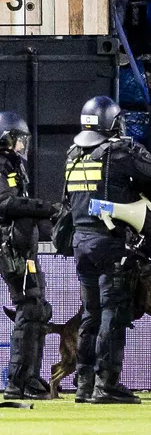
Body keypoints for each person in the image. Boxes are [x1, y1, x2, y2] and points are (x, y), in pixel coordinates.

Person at [65, 97, 151, 403]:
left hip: (81, 241)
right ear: (111, 124)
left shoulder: (73, 155)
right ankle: (107, 384)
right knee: (114, 314)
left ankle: (84, 384)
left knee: (90, 315)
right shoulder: (117, 152)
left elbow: (67, 203)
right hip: (110, 242)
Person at [0, 112, 58, 400]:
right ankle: (17, 382)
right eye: (18, 138)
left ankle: (30, 378)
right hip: (10, 248)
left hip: (24, 247)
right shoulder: (0, 166)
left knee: (38, 309)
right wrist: (45, 206)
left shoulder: (13, 166)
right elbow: (7, 203)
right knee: (30, 308)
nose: (22, 144)